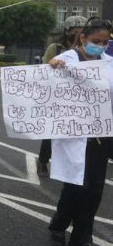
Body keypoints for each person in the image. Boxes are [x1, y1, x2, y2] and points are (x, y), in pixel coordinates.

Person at [47, 18, 112, 246]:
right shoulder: (65, 60)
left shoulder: (109, 64)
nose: (101, 46)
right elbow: (47, 87)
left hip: (100, 133)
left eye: (105, 42)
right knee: (74, 183)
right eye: (96, 41)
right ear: (83, 38)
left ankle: (82, 237)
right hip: (73, 132)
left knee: (94, 188)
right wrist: (52, 68)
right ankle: (58, 227)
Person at [37, 15, 87, 177]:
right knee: (52, 132)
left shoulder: (87, 49)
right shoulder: (55, 48)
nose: (79, 34)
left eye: (82, 31)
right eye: (75, 31)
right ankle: (44, 160)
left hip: (79, 98)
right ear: (68, 32)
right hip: (57, 97)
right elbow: (45, 70)